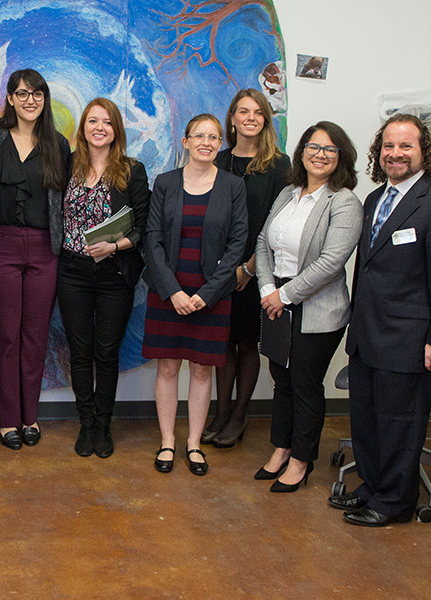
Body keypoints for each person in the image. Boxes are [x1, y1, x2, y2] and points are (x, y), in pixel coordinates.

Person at [331, 114, 431, 526]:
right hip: (368, 334)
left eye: (406, 146)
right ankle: (371, 487)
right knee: (368, 421)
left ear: (423, 151)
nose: (396, 154)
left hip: (410, 340)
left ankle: (395, 502)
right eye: (389, 146)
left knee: (399, 425)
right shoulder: (375, 199)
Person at [254, 122, 363, 492]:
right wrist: (268, 287)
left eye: (330, 149)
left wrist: (284, 296)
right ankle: (281, 448)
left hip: (316, 308)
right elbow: (262, 242)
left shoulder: (344, 201)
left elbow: (331, 264)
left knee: (304, 384)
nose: (320, 154)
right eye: (314, 147)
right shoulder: (288, 193)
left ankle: (302, 460)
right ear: (302, 152)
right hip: (275, 299)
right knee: (281, 380)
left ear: (341, 157)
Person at [142, 114, 247, 475]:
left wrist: (208, 293)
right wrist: (173, 291)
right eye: (199, 135)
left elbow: (237, 244)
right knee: (168, 367)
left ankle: (194, 444)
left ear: (220, 144)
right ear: (185, 141)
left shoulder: (233, 186)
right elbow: (151, 239)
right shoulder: (165, 183)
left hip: (211, 294)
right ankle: (168, 441)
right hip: (168, 290)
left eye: (214, 137)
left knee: (202, 371)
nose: (206, 142)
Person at [0, 68, 71, 450]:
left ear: (44, 99)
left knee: (35, 336)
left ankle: (28, 417)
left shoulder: (58, 144)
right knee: (4, 335)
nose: (30, 100)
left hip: (44, 248)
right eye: (22, 93)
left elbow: (66, 198)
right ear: (11, 99)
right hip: (0, 243)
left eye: (37, 94)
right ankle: (5, 420)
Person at [56, 98, 150, 458]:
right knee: (80, 352)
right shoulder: (68, 166)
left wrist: (115, 247)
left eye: (107, 122)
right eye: (93, 121)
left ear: (116, 131)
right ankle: (86, 424)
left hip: (115, 273)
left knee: (106, 353)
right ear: (83, 128)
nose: (99, 127)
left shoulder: (132, 170)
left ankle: (104, 424)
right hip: (72, 272)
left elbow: (144, 226)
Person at [207, 88, 291, 448]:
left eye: (258, 112)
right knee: (221, 342)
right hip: (221, 270)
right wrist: (225, 270)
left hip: (259, 270)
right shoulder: (219, 162)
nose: (251, 118)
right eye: (243, 112)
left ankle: (240, 414)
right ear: (232, 118)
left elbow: (277, 223)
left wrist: (250, 269)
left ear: (266, 120)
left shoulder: (279, 165)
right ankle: (221, 411)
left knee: (246, 343)